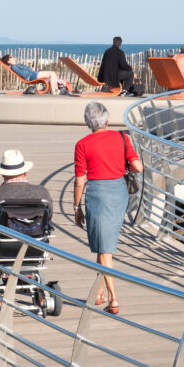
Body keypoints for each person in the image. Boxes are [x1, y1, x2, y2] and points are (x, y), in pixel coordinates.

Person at [73, 101, 143, 314]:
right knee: (104, 244)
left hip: (98, 194)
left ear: (87, 122)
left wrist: (76, 207)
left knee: (105, 248)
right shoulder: (122, 138)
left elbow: (79, 181)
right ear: (107, 120)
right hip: (119, 193)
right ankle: (98, 293)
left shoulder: (82, 144)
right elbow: (138, 166)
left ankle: (113, 299)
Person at [0, 148, 53, 231]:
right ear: (25, 172)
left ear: (2, 173)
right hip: (36, 240)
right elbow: (48, 217)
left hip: (2, 242)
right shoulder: (42, 192)